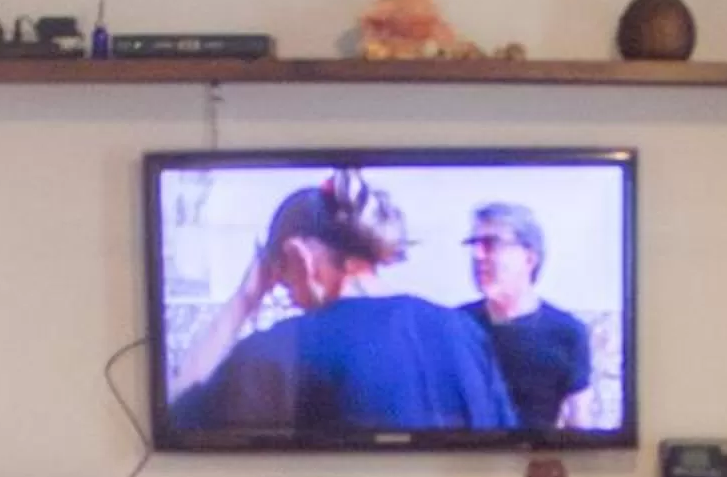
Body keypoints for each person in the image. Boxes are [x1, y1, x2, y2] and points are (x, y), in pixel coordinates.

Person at [167, 173, 517, 437]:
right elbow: (507, 441)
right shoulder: (463, 332)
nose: (284, 293)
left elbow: (178, 417)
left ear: (297, 256)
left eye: (280, 275)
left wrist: (245, 298)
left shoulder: (278, 351)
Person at [456, 202, 595, 436]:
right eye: (474, 244)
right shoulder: (456, 326)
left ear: (529, 257)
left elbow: (580, 422)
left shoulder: (568, 332)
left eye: (491, 244)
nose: (478, 256)